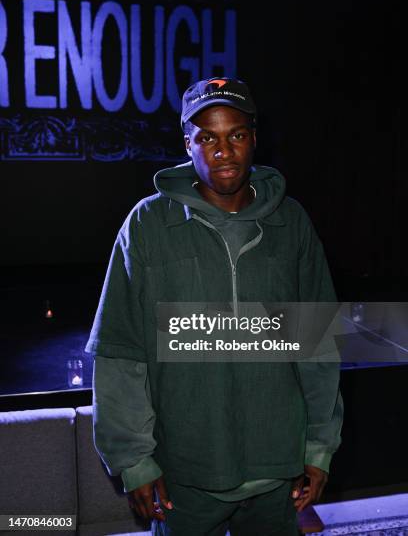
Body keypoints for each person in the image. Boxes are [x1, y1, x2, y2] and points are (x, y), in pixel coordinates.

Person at [84, 77, 343, 536]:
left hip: (277, 469)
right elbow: (121, 349)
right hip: (185, 475)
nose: (223, 150)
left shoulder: (292, 221)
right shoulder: (147, 224)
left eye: (236, 135)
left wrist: (319, 448)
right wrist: (134, 461)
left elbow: (318, 346)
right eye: (207, 137)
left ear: (254, 139)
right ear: (188, 143)